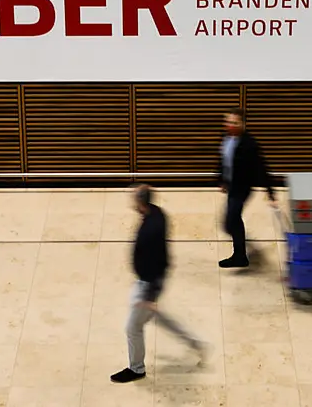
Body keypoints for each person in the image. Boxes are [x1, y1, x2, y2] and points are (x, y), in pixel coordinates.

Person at [110, 184, 204, 384]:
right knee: (157, 318)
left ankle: (136, 369)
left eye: (134, 198)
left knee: (132, 327)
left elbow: (156, 259)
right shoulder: (158, 214)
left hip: (148, 285)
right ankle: (194, 343)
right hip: (148, 282)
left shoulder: (151, 228)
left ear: (140, 202)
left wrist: (150, 295)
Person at [217, 108, 277, 268]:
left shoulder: (249, 144)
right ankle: (240, 253)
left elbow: (262, 167)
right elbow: (224, 160)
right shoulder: (225, 138)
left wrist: (270, 192)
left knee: (231, 221)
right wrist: (222, 179)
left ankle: (240, 256)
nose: (230, 125)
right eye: (228, 122)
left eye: (234, 122)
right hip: (231, 186)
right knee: (232, 222)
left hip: (242, 188)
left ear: (242, 124)